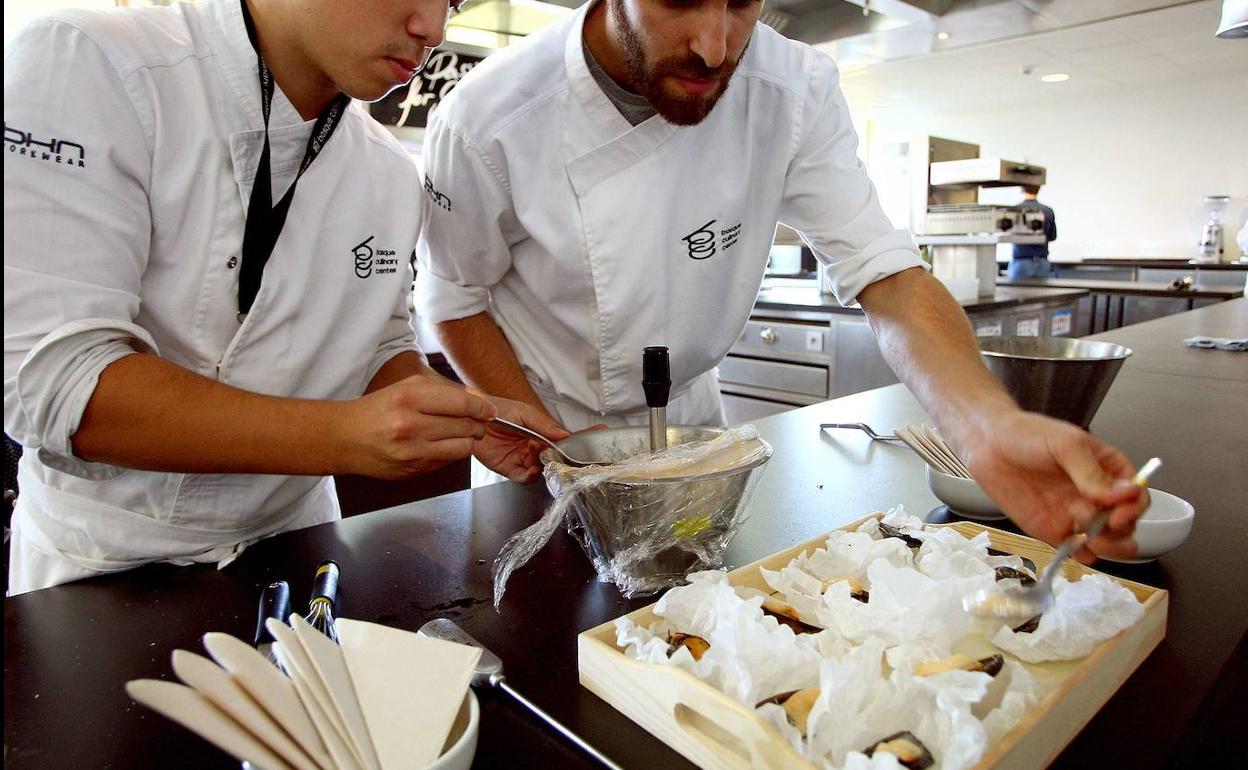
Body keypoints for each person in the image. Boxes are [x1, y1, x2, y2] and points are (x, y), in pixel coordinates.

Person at [416, 0, 1147, 561]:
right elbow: (453, 296)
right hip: (540, 447)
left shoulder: (792, 87)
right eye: (680, 0)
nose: (715, 45)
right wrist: (550, 446)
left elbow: (886, 273)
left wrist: (988, 425)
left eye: (741, 2)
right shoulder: (487, 117)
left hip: (697, 442)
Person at [2, 0, 567, 595]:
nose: (432, 29)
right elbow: (56, 380)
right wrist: (346, 437)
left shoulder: (386, 171)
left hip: (301, 548)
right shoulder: (94, 61)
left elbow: (376, 344)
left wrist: (454, 412)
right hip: (107, 563)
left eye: (451, 2)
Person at [1008, 184, 1058, 279]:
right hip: (1042, 262)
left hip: (1021, 260)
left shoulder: (1014, 210)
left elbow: (1008, 235)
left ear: (1022, 189)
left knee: (1015, 293)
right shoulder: (1048, 211)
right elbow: (1053, 236)